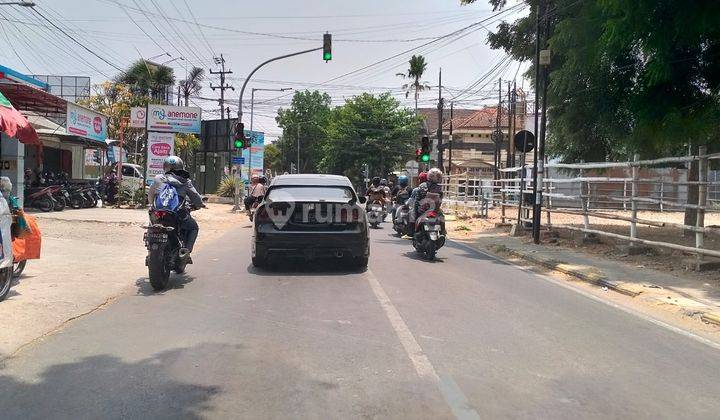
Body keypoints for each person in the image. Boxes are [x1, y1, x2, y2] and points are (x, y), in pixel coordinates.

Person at [148, 156, 204, 258]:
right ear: (181, 167)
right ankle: (185, 251)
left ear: (165, 167)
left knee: (151, 224)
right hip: (177, 215)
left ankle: (149, 244)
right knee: (193, 228)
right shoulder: (185, 181)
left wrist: (152, 204)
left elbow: (150, 196)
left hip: (158, 213)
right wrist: (199, 205)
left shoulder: (158, 179)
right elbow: (197, 199)